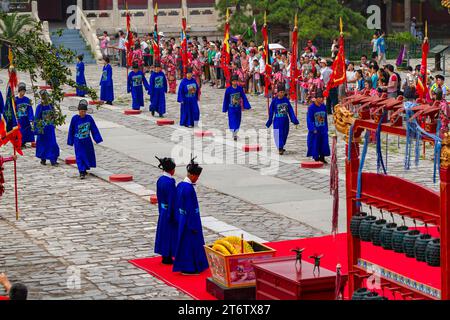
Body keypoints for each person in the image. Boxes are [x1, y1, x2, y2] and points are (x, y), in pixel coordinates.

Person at [173, 156, 209, 275]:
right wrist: (193, 225)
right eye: (197, 177)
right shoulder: (189, 189)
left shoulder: (180, 185)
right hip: (190, 221)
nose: (197, 179)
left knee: (183, 244)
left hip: (182, 219)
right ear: (193, 175)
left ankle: (185, 266)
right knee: (190, 246)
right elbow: (190, 209)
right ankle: (190, 268)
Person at [67, 100, 103, 180]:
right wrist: (70, 141)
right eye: (81, 111)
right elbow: (71, 130)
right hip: (78, 141)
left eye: (84, 111)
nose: (82, 113)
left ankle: (85, 168)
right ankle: (81, 171)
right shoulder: (75, 119)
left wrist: (97, 139)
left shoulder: (89, 118)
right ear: (78, 111)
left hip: (87, 140)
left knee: (87, 154)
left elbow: (94, 129)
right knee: (79, 155)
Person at [154, 156, 178, 265]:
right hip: (169, 211)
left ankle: (164, 255)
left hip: (163, 209)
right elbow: (172, 199)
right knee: (169, 234)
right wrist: (173, 214)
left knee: (163, 232)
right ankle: (168, 255)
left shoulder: (160, 180)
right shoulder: (170, 182)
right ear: (171, 170)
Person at [266, 83, 299, 155]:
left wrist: (294, 119)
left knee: (285, 134)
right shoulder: (274, 101)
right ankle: (280, 148)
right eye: (281, 92)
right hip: (277, 120)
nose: (282, 93)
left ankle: (281, 145)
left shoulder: (286, 100)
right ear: (277, 92)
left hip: (285, 120)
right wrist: (269, 120)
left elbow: (290, 110)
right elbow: (271, 111)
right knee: (278, 134)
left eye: (283, 92)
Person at [34, 90, 60, 166]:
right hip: (43, 130)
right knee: (43, 144)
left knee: (52, 144)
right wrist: (37, 129)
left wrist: (55, 119)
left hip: (50, 128)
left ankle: (53, 159)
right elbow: (37, 119)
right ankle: (43, 158)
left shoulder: (51, 106)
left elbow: (54, 115)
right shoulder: (40, 107)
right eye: (43, 97)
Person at [222, 75, 251, 141]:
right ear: (231, 82)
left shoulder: (240, 88)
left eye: (236, 81)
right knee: (232, 120)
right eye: (233, 81)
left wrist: (246, 105)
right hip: (231, 108)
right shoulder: (228, 90)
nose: (235, 82)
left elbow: (244, 97)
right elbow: (226, 99)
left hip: (238, 108)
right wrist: (224, 108)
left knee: (238, 120)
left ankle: (236, 132)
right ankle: (234, 133)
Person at [307, 90, 330, 163]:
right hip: (315, 129)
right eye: (320, 98)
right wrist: (312, 128)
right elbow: (309, 119)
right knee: (315, 143)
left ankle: (322, 157)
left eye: (322, 98)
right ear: (316, 98)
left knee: (324, 143)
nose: (321, 99)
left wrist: (326, 128)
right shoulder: (311, 108)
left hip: (323, 128)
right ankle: (316, 158)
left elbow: (325, 118)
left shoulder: (323, 106)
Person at [15, 82, 34, 148]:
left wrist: (31, 118)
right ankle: (20, 143)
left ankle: (23, 143)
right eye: (22, 91)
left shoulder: (27, 100)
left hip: (26, 119)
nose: (23, 93)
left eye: (24, 91)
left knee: (26, 131)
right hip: (19, 119)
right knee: (20, 131)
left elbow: (30, 109)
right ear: (19, 91)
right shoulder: (15, 100)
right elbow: (13, 109)